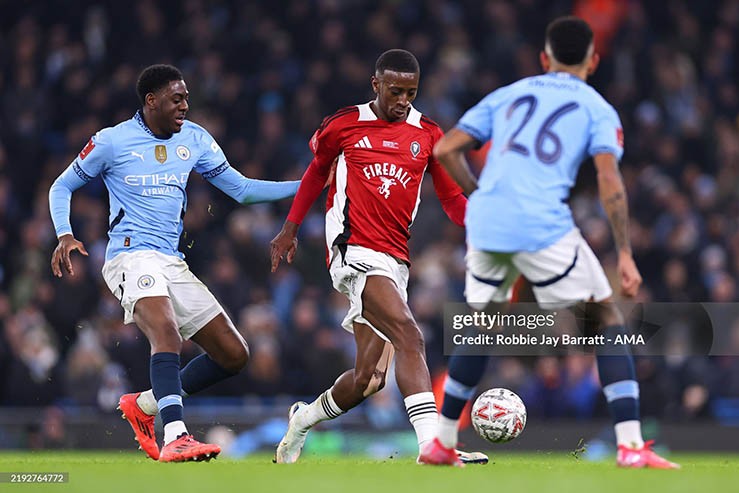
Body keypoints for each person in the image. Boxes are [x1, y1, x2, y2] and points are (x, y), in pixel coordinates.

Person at [418, 17, 680, 469]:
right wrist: (624, 253)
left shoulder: (507, 94)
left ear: (544, 58)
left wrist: (480, 194)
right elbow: (609, 182)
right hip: (541, 220)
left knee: (482, 324)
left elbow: (444, 150)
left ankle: (440, 443)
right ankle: (632, 446)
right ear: (593, 61)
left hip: (487, 221)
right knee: (604, 317)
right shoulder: (597, 108)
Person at [49, 64, 300, 463]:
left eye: (186, 98)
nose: (185, 105)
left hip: (171, 261)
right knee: (165, 331)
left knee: (234, 354)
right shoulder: (112, 141)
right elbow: (62, 185)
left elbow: (242, 189)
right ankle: (176, 435)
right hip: (129, 257)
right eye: (176, 98)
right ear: (151, 101)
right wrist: (64, 232)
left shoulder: (196, 139)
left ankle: (146, 405)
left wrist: (307, 186)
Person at [270, 49, 486, 465]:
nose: (403, 99)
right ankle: (433, 447)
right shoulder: (345, 124)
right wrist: (290, 228)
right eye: (395, 90)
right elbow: (317, 170)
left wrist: (486, 224)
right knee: (410, 334)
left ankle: (302, 419)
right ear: (376, 85)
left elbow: (451, 198)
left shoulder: (428, 134)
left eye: (411, 92)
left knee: (369, 379)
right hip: (352, 251)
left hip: (395, 260)